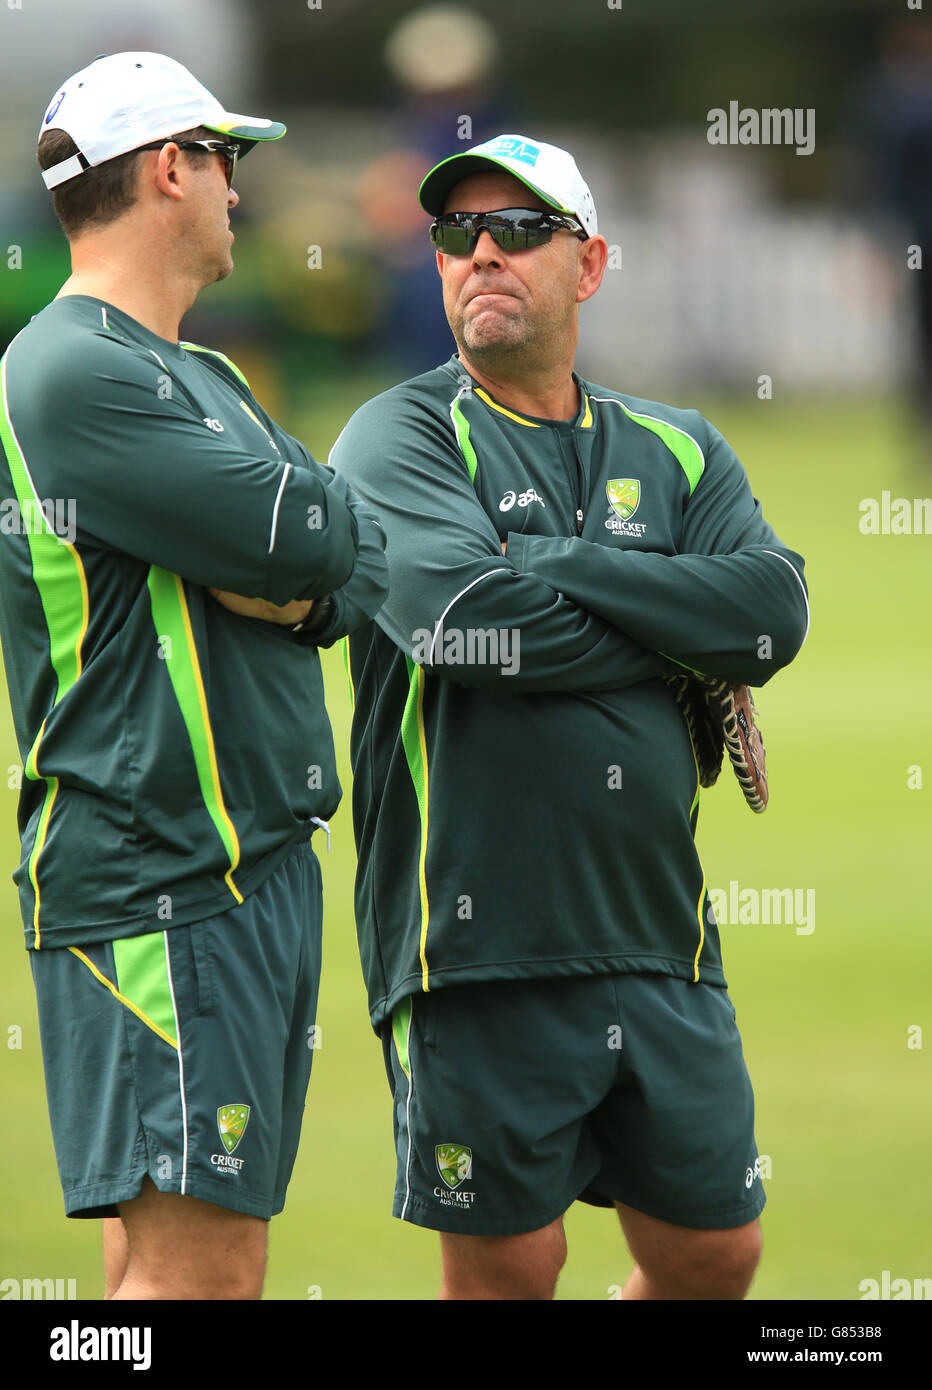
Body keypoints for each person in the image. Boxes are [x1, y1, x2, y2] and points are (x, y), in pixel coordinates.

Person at [330, 133, 809, 1300]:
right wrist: (667, 632)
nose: (481, 252)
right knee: (511, 1272)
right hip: (474, 946)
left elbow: (767, 615)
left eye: (520, 230)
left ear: (588, 264)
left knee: (712, 1253)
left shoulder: (678, 443)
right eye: (457, 234)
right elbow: (467, 629)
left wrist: (548, 556)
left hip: (660, 937)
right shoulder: (396, 435)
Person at [0, 51, 387, 1300]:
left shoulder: (199, 372)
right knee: (197, 1280)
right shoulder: (73, 369)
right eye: (230, 160)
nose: (241, 190)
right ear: (171, 168)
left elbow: (337, 567)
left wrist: (294, 559)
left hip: (242, 866)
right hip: (160, 870)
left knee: (162, 1265)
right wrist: (292, 554)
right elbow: (320, 536)